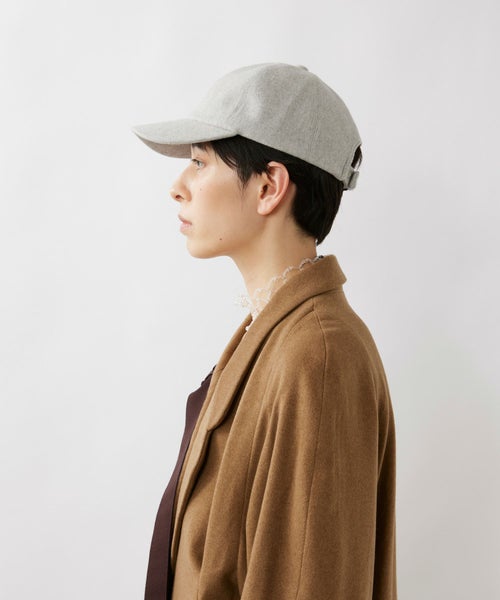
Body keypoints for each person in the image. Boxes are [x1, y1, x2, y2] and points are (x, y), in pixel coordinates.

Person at [133, 62, 397, 600]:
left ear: (269, 186)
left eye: (200, 162)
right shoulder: (274, 337)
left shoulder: (319, 357)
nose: (177, 188)